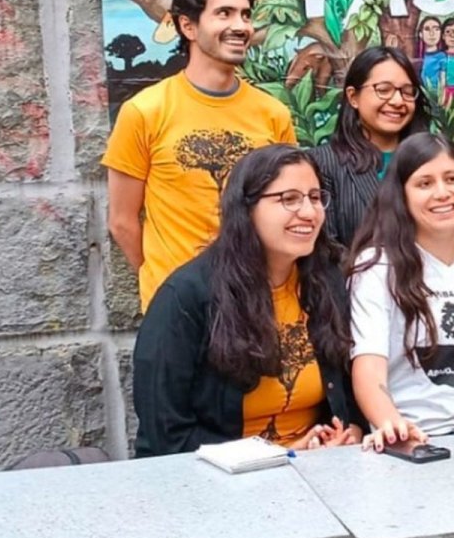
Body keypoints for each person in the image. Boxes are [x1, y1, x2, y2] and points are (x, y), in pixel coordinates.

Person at [133, 144, 362, 457]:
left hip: (319, 468)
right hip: (218, 483)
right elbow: (165, 434)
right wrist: (275, 456)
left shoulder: (326, 281)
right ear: (246, 207)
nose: (309, 212)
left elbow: (350, 392)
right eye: (289, 199)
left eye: (314, 197)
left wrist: (350, 432)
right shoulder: (185, 297)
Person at [103, 0, 296, 312]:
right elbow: (122, 221)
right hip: (178, 312)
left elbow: (286, 209)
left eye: (246, 15)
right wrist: (166, 286)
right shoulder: (144, 111)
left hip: (254, 306)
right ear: (187, 26)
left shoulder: (274, 114)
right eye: (224, 13)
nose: (241, 26)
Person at [348, 132, 454, 449]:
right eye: (424, 183)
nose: (442, 193)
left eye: (451, 178)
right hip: (411, 442)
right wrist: (391, 424)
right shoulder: (378, 267)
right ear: (401, 195)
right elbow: (369, 366)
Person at [309, 46, 433, 250]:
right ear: (352, 97)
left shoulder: (431, 159)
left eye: (407, 91)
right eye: (383, 90)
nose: (397, 101)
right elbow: (325, 252)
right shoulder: (323, 164)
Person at [417, 15, 445, 97]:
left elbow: (444, 85)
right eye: (427, 29)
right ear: (420, 34)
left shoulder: (443, 58)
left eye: (436, 29)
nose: (432, 33)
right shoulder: (417, 58)